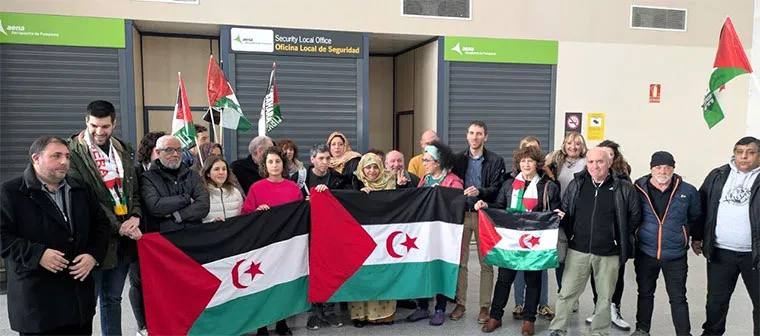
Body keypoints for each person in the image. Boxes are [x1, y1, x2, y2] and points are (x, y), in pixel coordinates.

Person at [0, 136, 110, 335]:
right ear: (36, 158)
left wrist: (93, 255)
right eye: (56, 156)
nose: (64, 162)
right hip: (38, 304)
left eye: (67, 156)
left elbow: (102, 225)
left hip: (78, 303)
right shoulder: (10, 192)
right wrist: (37, 254)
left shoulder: (80, 189)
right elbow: (2, 237)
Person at [67, 100, 142, 336]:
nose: (99, 132)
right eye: (94, 126)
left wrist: (136, 217)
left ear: (114, 124)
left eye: (105, 126)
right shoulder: (73, 152)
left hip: (123, 241)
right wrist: (118, 226)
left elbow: (134, 192)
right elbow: (85, 199)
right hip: (95, 241)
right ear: (86, 122)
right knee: (87, 304)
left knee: (113, 300)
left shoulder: (123, 149)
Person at [548, 147, 641, 336]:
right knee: (566, 293)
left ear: (609, 163)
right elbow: (567, 210)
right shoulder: (577, 184)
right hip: (578, 250)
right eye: (590, 162)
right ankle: (557, 329)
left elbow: (634, 217)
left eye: (599, 161)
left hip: (609, 253)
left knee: (605, 297)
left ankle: (599, 332)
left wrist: (617, 239)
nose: (594, 166)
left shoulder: (624, 188)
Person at [476, 146, 561, 335]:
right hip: (511, 242)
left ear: (537, 164)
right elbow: (499, 206)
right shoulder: (509, 185)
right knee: (504, 279)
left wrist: (559, 214)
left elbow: (555, 209)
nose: (526, 164)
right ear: (518, 163)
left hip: (534, 242)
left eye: (530, 161)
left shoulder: (548, 186)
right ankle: (495, 317)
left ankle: (529, 319)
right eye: (523, 161)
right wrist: (485, 205)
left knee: (533, 281)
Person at [693, 136, 760, 336]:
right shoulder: (718, 175)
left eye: (750, 152)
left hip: (755, 255)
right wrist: (696, 236)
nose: (744, 157)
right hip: (721, 252)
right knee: (715, 303)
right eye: (739, 151)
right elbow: (701, 206)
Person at [630, 151, 701, 336]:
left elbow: (696, 217)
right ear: (651, 168)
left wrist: (692, 238)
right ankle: (642, 330)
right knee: (645, 293)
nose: (663, 171)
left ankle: (684, 333)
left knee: (678, 298)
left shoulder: (688, 191)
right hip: (646, 252)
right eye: (658, 167)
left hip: (675, 255)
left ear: (673, 168)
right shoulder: (638, 188)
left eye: (667, 167)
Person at [240, 146, 302, 336]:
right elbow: (245, 214)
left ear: (283, 164)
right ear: (264, 165)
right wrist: (257, 212)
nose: (274, 165)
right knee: (263, 284)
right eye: (270, 162)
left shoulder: (293, 188)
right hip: (264, 245)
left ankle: (282, 321)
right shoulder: (257, 188)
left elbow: (300, 214)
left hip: (287, 246)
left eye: (277, 161)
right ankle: (262, 325)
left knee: (283, 285)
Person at [451, 121, 507, 323]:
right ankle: (460, 303)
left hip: (485, 216)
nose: (475, 137)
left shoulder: (495, 160)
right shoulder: (457, 159)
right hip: (462, 214)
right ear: (467, 136)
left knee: (486, 264)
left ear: (486, 137)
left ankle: (485, 307)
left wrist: (480, 191)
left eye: (479, 134)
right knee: (461, 262)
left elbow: (497, 189)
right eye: (472, 133)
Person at [406, 141, 464, 326]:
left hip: (443, 235)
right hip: (425, 233)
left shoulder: (453, 181)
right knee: (424, 267)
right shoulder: (425, 180)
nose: (423, 163)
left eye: (427, 160)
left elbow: (456, 206)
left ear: (437, 162)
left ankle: (440, 308)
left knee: (440, 269)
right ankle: (422, 307)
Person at [587, 139, 633, 330]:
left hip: (615, 239)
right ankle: (599, 307)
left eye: (609, 155)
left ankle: (614, 309)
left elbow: (632, 212)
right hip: (594, 238)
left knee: (616, 275)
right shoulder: (589, 178)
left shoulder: (623, 180)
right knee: (596, 274)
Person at [348, 153, 398, 327]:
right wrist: (359, 196)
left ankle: (385, 315)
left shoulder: (391, 182)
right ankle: (359, 316)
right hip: (361, 237)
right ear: (362, 168)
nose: (372, 171)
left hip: (384, 237)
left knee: (383, 272)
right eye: (368, 167)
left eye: (375, 166)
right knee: (362, 273)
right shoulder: (355, 182)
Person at [302, 144, 346, 330]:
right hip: (309, 232)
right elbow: (293, 203)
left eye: (327, 158)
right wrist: (305, 203)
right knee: (313, 272)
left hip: (331, 233)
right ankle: (314, 313)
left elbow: (346, 200)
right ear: (312, 159)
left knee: (330, 270)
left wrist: (329, 195)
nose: (325, 162)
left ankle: (329, 311)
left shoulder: (338, 179)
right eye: (321, 158)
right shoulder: (301, 179)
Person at [544, 131, 588, 309]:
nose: (573, 147)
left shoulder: (586, 163)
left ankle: (573, 297)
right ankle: (563, 294)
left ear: (582, 146)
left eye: (577, 143)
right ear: (564, 145)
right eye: (569, 143)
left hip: (579, 218)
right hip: (560, 217)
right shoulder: (555, 162)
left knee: (576, 261)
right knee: (561, 259)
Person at [511, 137, 554, 321]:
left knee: (540, 268)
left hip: (538, 231)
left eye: (533, 152)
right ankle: (519, 303)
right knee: (518, 268)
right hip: (516, 231)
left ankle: (542, 303)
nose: (528, 161)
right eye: (525, 153)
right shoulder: (512, 179)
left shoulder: (547, 178)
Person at [129, 130, 165, 335]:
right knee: (138, 281)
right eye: (160, 150)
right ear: (150, 151)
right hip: (138, 234)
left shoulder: (167, 172)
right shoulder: (135, 172)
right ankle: (142, 325)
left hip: (160, 234)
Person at [140, 135, 210, 233]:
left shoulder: (192, 175)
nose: (175, 154)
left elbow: (204, 205)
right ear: (158, 152)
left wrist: (178, 215)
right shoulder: (148, 177)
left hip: (194, 234)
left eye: (179, 150)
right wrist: (186, 199)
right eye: (169, 150)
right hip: (165, 237)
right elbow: (155, 206)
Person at [200, 156, 243, 223]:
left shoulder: (235, 192)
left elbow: (242, 214)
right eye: (216, 169)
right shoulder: (201, 194)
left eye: (224, 169)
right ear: (208, 173)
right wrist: (212, 222)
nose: (221, 172)